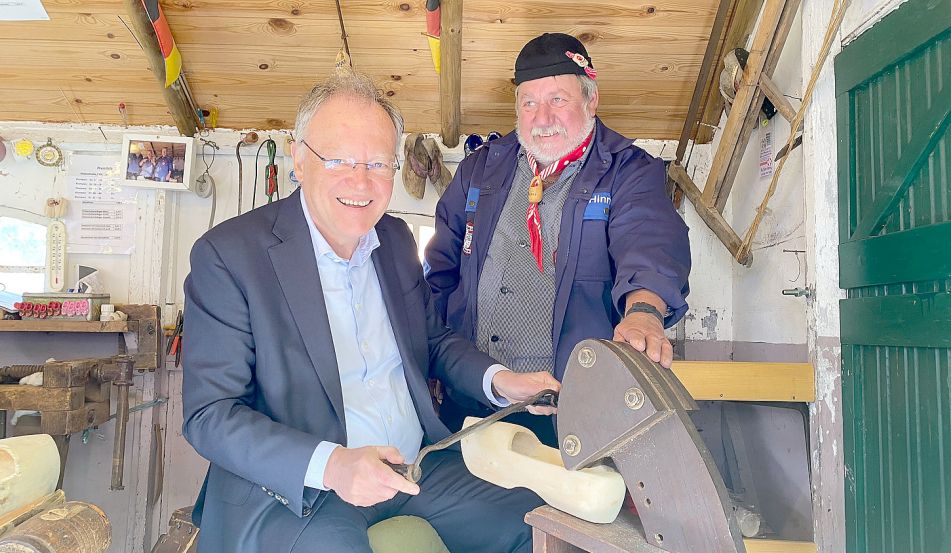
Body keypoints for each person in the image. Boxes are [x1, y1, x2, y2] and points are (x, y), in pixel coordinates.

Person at [181, 70, 559, 553]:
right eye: (339, 160)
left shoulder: (395, 240)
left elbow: (435, 341)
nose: (361, 182)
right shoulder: (229, 254)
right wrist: (334, 464)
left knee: (534, 527)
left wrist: (503, 381)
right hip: (302, 489)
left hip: (414, 466)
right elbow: (210, 415)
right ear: (299, 158)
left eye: (379, 163)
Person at [424, 33, 692, 446]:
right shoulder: (480, 169)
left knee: (568, 507)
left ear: (591, 100)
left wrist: (643, 311)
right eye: (529, 102)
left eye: (558, 100)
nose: (541, 117)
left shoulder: (628, 171)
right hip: (474, 399)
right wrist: (431, 359)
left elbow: (649, 242)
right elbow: (440, 270)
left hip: (571, 409)